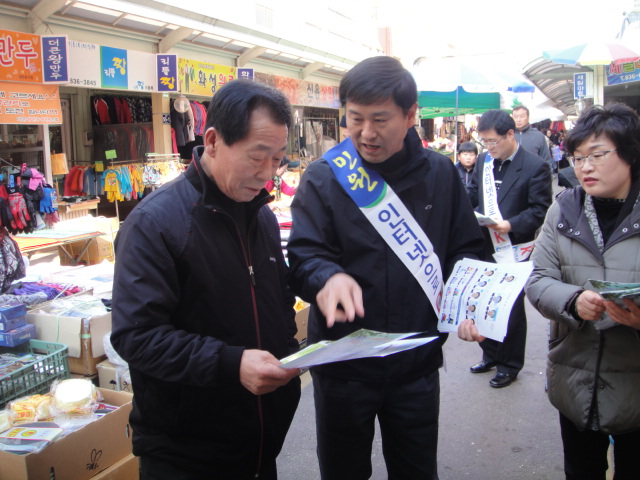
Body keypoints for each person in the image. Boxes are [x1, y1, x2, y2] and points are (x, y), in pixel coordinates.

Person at [286, 56, 484, 480]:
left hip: (415, 361)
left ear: (411, 116)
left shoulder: (440, 174)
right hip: (342, 365)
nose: (365, 133)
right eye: (354, 119)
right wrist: (327, 277)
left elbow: (467, 249)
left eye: (380, 119)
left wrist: (471, 301)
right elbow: (303, 255)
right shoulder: (324, 177)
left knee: (415, 470)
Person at [110, 80, 302, 480]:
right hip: (186, 454)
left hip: (260, 446)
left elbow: (279, 301)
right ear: (213, 141)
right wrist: (231, 365)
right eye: (257, 157)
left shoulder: (261, 216)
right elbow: (137, 336)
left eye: (278, 159)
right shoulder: (154, 224)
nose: (268, 174)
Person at [525, 103, 640, 480]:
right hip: (575, 378)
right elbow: (539, 279)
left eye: (597, 155)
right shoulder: (564, 209)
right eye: (577, 157)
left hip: (635, 381)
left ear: (630, 153)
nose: (585, 167)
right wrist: (573, 301)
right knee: (581, 470)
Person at [461, 109, 552, 388]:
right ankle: (490, 354)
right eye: (483, 142)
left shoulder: (535, 166)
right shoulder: (484, 162)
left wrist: (509, 225)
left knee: (510, 308)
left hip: (513, 247)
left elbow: (539, 210)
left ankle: (510, 365)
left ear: (510, 134)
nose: (487, 148)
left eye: (492, 141)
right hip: (485, 244)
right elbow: (473, 195)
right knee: (482, 302)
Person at [512, 105, 554, 174]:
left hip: (533, 179)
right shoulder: (507, 136)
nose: (518, 120)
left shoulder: (538, 136)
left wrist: (546, 179)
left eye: (522, 116)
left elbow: (546, 160)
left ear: (528, 118)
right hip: (512, 179)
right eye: (515, 117)